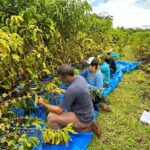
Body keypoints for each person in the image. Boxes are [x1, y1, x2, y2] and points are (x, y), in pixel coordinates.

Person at [37, 64, 101, 137]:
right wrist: (63, 91)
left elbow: (59, 110)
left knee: (51, 117)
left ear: (67, 77)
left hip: (82, 118)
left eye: (62, 78)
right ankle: (85, 126)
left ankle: (61, 138)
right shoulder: (79, 78)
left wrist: (42, 103)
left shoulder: (72, 89)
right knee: (63, 114)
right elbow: (78, 92)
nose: (62, 80)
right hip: (88, 114)